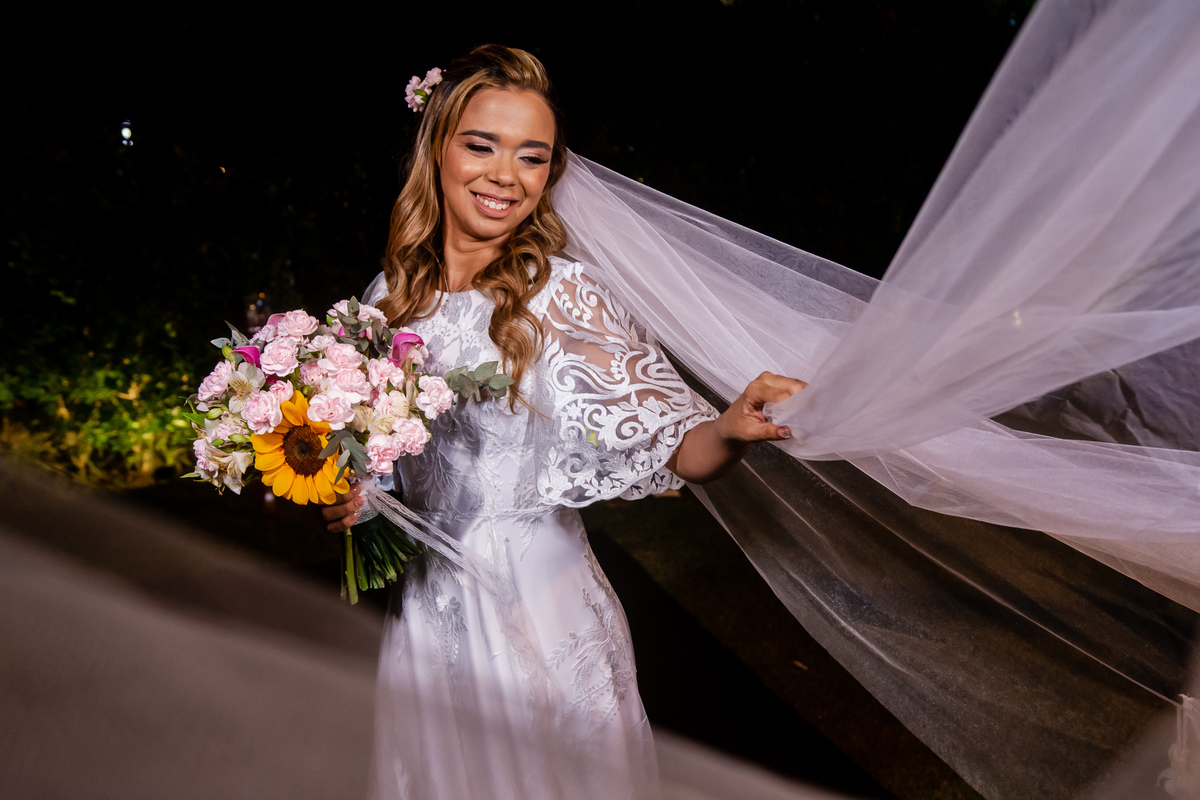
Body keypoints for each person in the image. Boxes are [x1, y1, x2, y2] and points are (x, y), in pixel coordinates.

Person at [321, 45, 804, 799]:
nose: (504, 175)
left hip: (539, 609)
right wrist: (355, 498)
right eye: (481, 145)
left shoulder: (562, 294)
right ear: (437, 148)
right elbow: (380, 472)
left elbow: (680, 448)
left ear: (551, 172)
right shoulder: (386, 300)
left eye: (531, 156)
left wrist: (730, 428)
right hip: (426, 616)